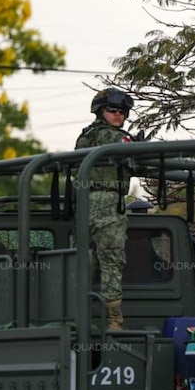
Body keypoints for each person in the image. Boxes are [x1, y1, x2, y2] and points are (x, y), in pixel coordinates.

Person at [75, 87, 140, 331]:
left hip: (84, 204)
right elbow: (131, 152)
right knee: (112, 261)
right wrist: (140, 147)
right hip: (108, 204)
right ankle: (115, 321)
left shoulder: (86, 136)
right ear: (101, 111)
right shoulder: (112, 137)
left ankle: (75, 317)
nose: (118, 115)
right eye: (112, 110)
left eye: (122, 111)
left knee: (81, 262)